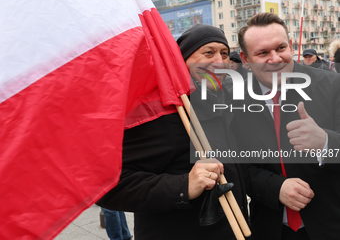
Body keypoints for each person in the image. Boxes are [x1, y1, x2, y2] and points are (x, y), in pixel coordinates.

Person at [97, 24, 248, 240]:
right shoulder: (164, 114)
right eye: (208, 52)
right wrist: (183, 186)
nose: (220, 61)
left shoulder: (222, 105)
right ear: (182, 61)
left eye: (224, 53)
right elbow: (109, 185)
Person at [231, 12, 340, 240]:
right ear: (245, 59)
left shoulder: (332, 86)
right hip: (270, 229)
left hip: (330, 226)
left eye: (281, 48)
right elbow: (238, 167)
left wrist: (326, 142)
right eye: (263, 53)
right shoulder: (235, 100)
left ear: (290, 45)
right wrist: (274, 187)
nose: (275, 58)